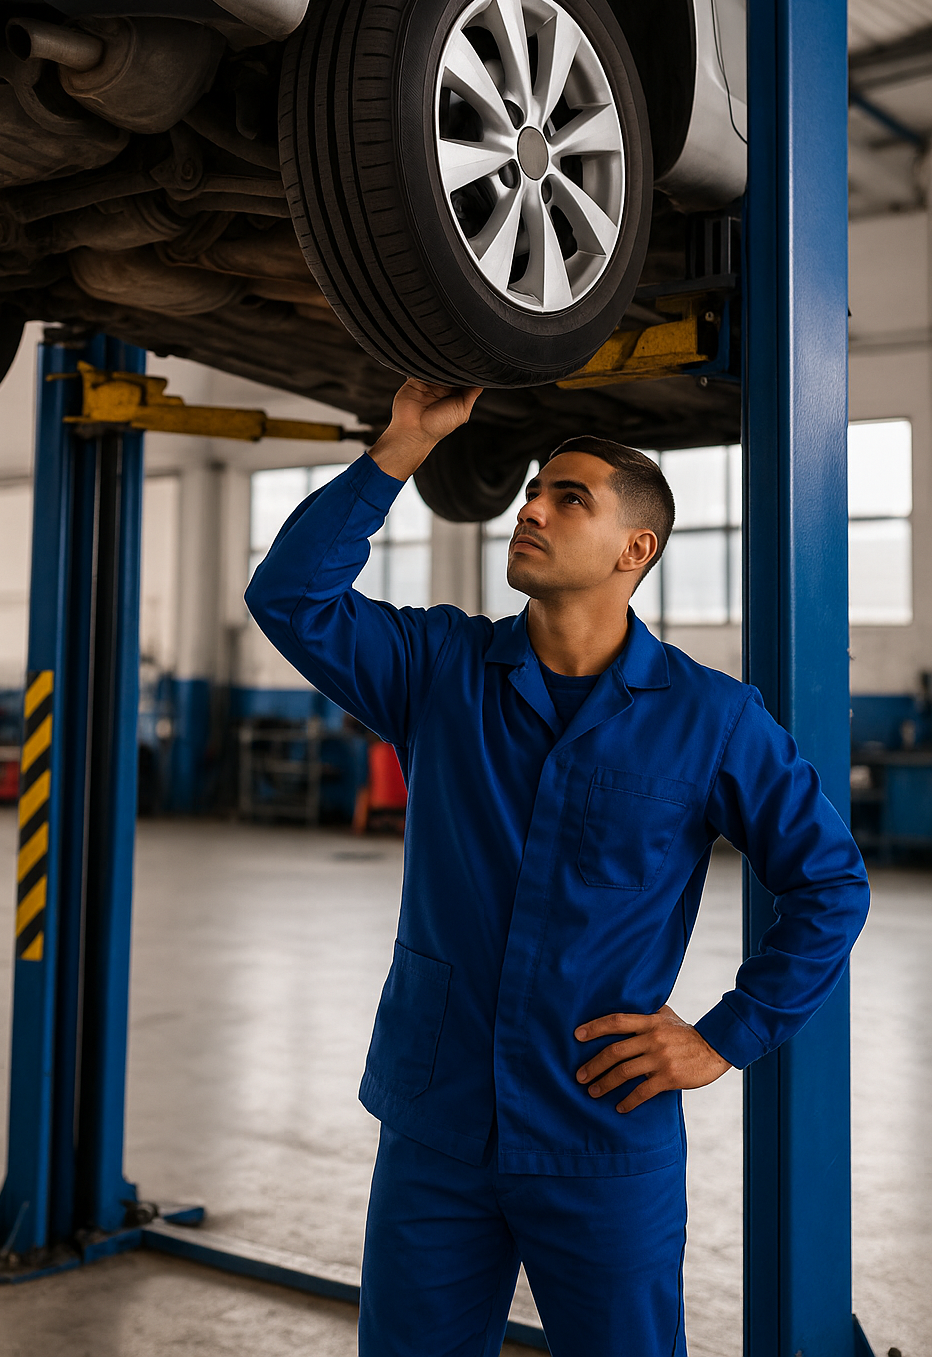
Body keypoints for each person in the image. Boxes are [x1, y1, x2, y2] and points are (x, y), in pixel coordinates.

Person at [245, 378, 870, 1357]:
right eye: (532, 488)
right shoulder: (438, 670)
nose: (529, 506)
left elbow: (828, 882)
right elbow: (288, 596)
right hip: (436, 1126)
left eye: (567, 496)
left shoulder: (711, 719)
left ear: (636, 550)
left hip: (600, 1130)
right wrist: (399, 449)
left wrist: (724, 1038)